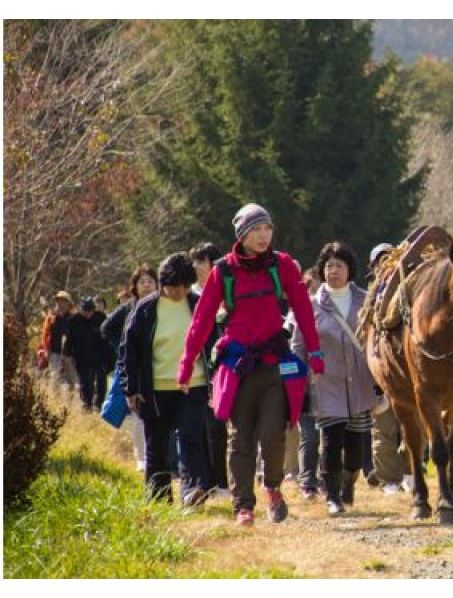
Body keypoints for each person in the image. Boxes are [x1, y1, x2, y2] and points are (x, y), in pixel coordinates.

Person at [179, 203, 323, 526]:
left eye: (267, 228)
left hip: (274, 365)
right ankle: (243, 505)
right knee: (240, 438)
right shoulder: (224, 271)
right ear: (242, 234)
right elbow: (201, 321)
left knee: (274, 436)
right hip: (237, 367)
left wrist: (315, 352)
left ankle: (272, 487)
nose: (263, 235)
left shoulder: (281, 265)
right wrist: (186, 365)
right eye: (256, 230)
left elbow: (302, 308)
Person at [291, 242, 378, 516]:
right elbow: (298, 345)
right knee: (330, 440)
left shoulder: (367, 300)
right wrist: (302, 380)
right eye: (328, 266)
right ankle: (331, 495)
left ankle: (349, 482)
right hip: (325, 381)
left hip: (361, 382)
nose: (333, 271)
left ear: (349, 269)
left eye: (339, 266)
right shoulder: (311, 304)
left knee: (355, 446)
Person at [121, 253, 213, 506]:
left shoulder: (198, 304)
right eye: (173, 287)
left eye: (184, 286)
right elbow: (129, 350)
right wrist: (132, 389)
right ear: (163, 284)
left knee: (191, 437)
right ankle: (159, 498)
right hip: (155, 388)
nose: (178, 292)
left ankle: (192, 491)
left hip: (193, 384)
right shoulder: (145, 309)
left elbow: (213, 344)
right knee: (157, 446)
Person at [364, 242, 411, 494]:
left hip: (407, 376)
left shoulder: (409, 295)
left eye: (390, 259)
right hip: (380, 376)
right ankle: (389, 480)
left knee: (412, 429)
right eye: (380, 261)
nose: (386, 265)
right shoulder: (369, 301)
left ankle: (410, 473)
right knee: (383, 432)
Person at [101, 265, 158, 472]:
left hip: (159, 366)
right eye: (142, 281)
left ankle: (162, 458)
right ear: (134, 286)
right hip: (135, 367)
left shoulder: (163, 306)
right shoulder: (129, 307)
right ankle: (142, 458)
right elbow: (106, 328)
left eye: (150, 281)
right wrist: (122, 349)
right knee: (137, 415)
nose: (146, 285)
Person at [189, 241, 230, 498]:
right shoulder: (188, 297)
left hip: (221, 369)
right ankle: (203, 481)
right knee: (197, 427)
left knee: (218, 428)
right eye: (194, 261)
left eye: (200, 261)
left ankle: (221, 482)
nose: (196, 266)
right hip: (194, 370)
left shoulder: (224, 294)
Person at [295, 267, 323, 500]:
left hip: (330, 384)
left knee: (330, 435)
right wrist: (296, 378)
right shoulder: (300, 310)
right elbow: (295, 347)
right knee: (309, 435)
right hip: (306, 383)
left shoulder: (332, 309)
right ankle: (308, 481)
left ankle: (326, 478)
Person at [63, 296, 111, 411]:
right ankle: (87, 403)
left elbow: (108, 339)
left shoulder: (101, 318)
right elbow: (69, 339)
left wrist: (109, 358)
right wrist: (66, 354)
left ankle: (99, 404)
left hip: (99, 356)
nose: (88, 313)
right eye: (85, 310)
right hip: (81, 356)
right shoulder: (73, 320)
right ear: (81, 309)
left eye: (90, 310)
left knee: (101, 382)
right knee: (85, 382)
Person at [39, 290, 78, 389]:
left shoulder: (74, 318)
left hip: (70, 355)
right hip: (55, 353)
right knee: (55, 379)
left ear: (68, 303)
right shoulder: (51, 317)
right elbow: (45, 334)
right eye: (58, 301)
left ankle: (71, 402)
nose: (60, 303)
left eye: (63, 301)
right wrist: (47, 350)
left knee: (73, 382)